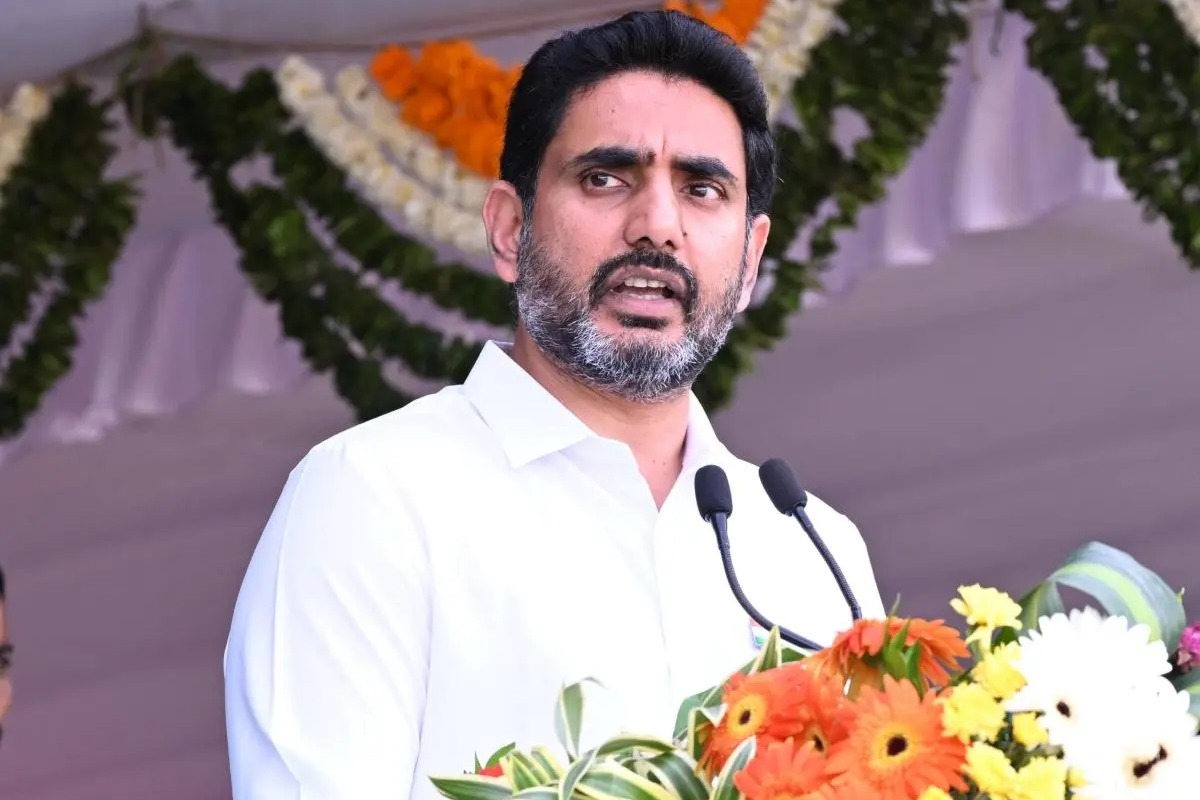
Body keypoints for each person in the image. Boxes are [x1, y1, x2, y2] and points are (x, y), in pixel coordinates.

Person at [224, 9, 885, 799]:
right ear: (510, 229)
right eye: (606, 178)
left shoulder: (810, 546)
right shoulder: (373, 496)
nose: (658, 227)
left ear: (749, 260)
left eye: (702, 189)